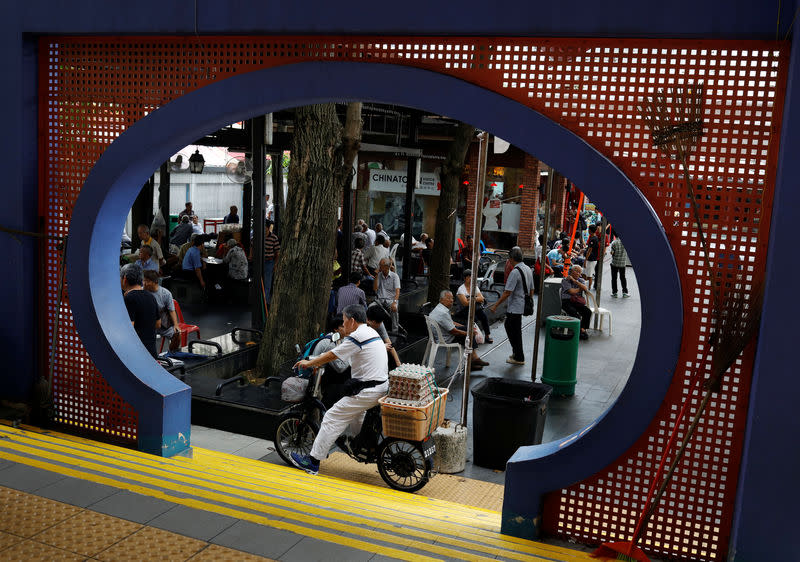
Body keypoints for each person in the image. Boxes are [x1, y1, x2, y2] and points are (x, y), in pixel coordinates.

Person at [290, 304, 389, 475]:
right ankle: (364, 447)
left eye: (344, 321)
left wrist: (309, 362)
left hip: (368, 390)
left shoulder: (357, 335)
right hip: (380, 386)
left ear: (351, 321)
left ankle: (312, 462)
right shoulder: (371, 332)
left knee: (331, 417)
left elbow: (332, 355)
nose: (343, 325)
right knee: (357, 415)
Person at [490, 246, 533, 365]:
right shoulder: (528, 269)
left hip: (515, 306)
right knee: (514, 329)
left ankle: (519, 356)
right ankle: (517, 354)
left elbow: (507, 292)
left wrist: (496, 305)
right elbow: (532, 289)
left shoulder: (515, 272)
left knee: (512, 330)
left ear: (511, 258)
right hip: (522, 305)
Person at [428, 290, 488, 370]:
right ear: (441, 300)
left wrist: (464, 327)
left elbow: (451, 322)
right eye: (448, 298)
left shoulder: (439, 308)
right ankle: (473, 361)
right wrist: (468, 333)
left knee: (468, 329)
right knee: (468, 337)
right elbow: (454, 332)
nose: (452, 300)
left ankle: (474, 360)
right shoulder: (443, 313)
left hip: (443, 334)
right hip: (446, 338)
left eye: (452, 298)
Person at [121, 264, 159, 358]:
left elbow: (129, 329)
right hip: (151, 352)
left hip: (136, 354)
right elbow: (158, 324)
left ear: (125, 279)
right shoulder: (151, 297)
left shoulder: (129, 298)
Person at [142, 270, 181, 352]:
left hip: (163, 325)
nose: (144, 283)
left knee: (177, 335)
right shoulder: (142, 291)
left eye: (147, 281)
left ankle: (172, 354)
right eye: (144, 280)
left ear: (155, 282)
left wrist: (176, 325)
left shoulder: (166, 294)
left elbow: (171, 310)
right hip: (148, 326)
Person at [455, 270, 493, 344]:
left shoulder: (474, 287)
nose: (472, 279)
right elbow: (465, 303)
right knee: (474, 318)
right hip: (463, 310)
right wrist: (476, 298)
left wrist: (472, 298)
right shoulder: (461, 289)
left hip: (474, 308)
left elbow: (481, 298)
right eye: (470, 277)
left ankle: (487, 335)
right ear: (465, 278)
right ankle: (473, 337)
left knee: (483, 316)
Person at [561, 265, 592, 340]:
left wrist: (575, 281)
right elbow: (571, 292)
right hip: (567, 301)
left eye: (579, 272)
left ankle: (582, 329)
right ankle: (579, 331)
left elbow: (585, 288)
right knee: (574, 313)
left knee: (588, 312)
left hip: (577, 301)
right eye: (577, 271)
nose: (578, 274)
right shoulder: (565, 280)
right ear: (571, 271)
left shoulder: (580, 280)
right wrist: (580, 289)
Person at [366, 304, 402, 368]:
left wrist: (398, 362)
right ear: (373, 322)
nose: (380, 325)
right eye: (379, 323)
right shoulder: (360, 325)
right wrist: (381, 347)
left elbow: (389, 343)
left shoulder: (379, 323)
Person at [373, 258, 400, 331]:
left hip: (391, 300)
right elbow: (375, 289)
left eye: (380, 265)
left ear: (387, 267)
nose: (379, 267)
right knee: (370, 307)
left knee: (394, 309)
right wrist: (376, 276)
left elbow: (397, 291)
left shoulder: (395, 276)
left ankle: (395, 330)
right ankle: (373, 329)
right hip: (380, 300)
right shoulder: (379, 275)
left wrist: (394, 302)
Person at [264, 219, 280, 304]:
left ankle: (265, 302)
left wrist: (275, 264)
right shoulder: (258, 236)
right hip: (259, 262)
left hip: (269, 262)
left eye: (265, 227)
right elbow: (252, 246)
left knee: (267, 283)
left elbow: (277, 253)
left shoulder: (274, 238)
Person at [609, 233, 630, 298]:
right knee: (623, 278)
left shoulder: (614, 243)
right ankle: (625, 292)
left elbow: (612, 253)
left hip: (614, 263)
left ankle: (615, 293)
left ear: (614, 235)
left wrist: (612, 253)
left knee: (614, 278)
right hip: (622, 263)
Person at [583, 224, 603, 290]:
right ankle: (586, 287)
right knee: (585, 274)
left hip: (591, 259)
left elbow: (589, 250)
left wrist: (585, 260)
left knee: (589, 275)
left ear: (590, 231)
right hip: (591, 258)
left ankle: (588, 288)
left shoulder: (593, 239)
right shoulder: (593, 237)